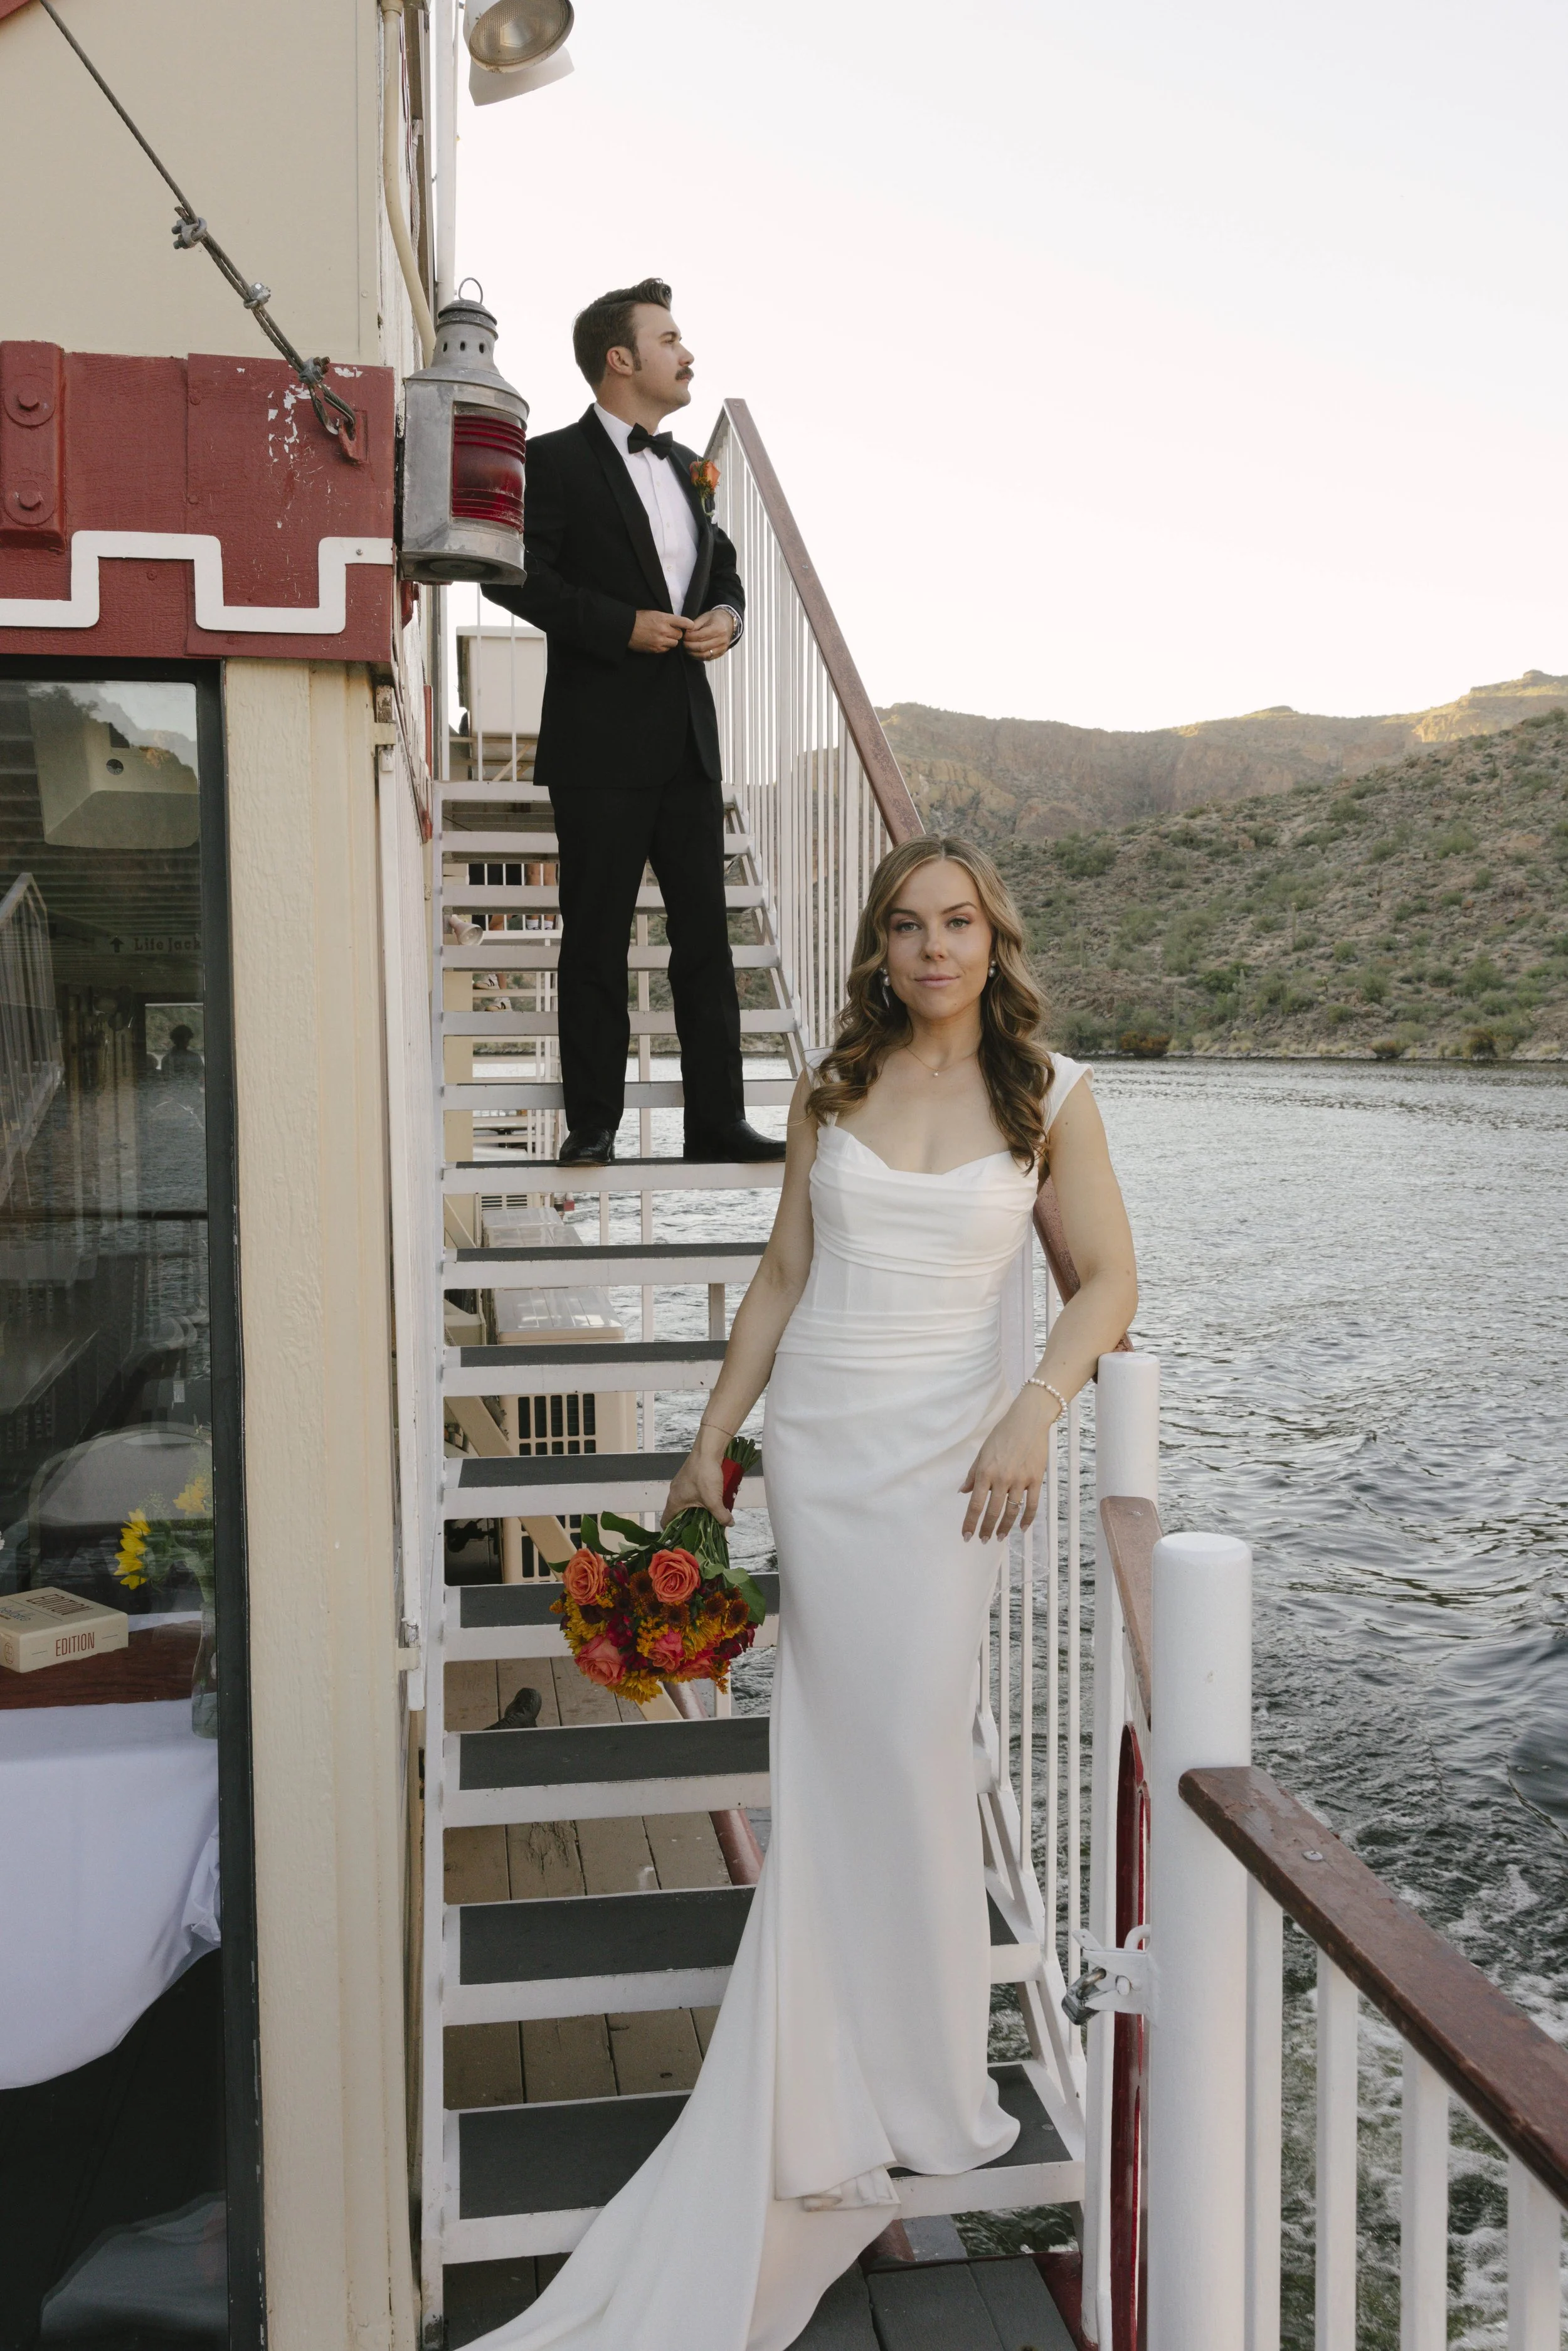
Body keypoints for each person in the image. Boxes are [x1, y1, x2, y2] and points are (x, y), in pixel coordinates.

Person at [473, 836, 1139, 2351]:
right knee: (843, 1756)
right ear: (879, 947)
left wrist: (1038, 1402)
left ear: (993, 936)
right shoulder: (829, 1087)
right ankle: (861, 2064)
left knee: (912, 1749)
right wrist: (711, 1439)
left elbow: (1106, 1276)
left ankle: (922, 2074)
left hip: (959, 1463)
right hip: (825, 1452)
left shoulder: (1052, 1095)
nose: (933, 948)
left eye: (957, 921)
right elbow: (782, 1273)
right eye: (906, 925)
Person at [484, 277, 783, 1168]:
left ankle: (717, 1123)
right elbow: (512, 575)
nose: (687, 354)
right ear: (621, 359)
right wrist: (621, 626)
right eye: (670, 339)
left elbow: (721, 574)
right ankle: (594, 1124)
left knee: (706, 944)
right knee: (597, 941)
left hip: (689, 741)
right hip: (598, 743)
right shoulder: (554, 460)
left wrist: (727, 617)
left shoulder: (691, 465)